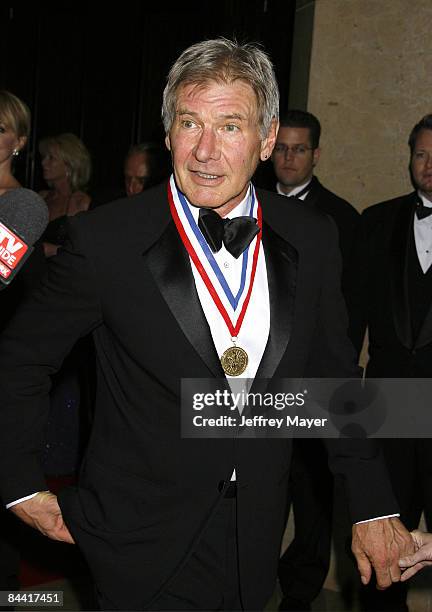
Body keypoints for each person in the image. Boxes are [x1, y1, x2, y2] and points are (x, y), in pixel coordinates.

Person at [0, 38, 413, 612]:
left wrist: (373, 505)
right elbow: (20, 359)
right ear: (168, 132)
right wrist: (19, 481)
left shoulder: (312, 238)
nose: (204, 152)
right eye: (190, 124)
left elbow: (333, 380)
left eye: (230, 126)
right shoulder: (105, 242)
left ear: (267, 140)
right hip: (137, 541)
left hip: (255, 540)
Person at [272, 110, 360, 611]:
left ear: (315, 155)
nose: (287, 157)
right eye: (281, 147)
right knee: (256, 486)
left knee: (311, 494)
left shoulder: (342, 219)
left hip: (312, 381)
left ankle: (298, 596)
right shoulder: (240, 203)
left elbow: (346, 310)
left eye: (298, 149)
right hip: (253, 379)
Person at [347, 113, 432, 611]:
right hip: (385, 407)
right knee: (383, 549)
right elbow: (350, 322)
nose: (428, 166)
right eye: (421, 154)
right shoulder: (376, 221)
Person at [39, 132, 91, 257]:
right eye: (44, 157)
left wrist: (50, 250)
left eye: (51, 158)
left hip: (57, 272)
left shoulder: (80, 202)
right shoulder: (41, 197)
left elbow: (82, 252)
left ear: (69, 165)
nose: (43, 163)